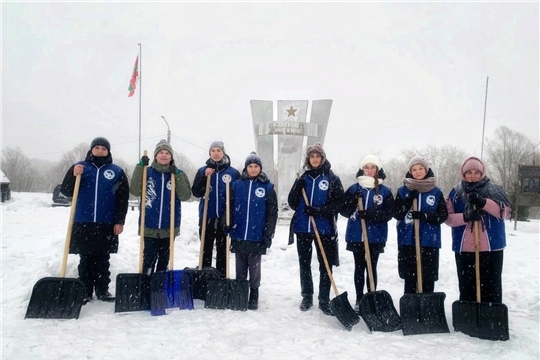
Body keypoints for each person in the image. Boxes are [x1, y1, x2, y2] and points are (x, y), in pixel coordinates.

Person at [60, 137, 129, 304]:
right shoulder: (81, 167)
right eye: (97, 147)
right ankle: (85, 290)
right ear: (91, 150)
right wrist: (72, 174)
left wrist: (119, 221)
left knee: (103, 258)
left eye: (103, 148)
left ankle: (102, 290)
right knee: (85, 259)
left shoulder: (117, 171)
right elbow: (67, 191)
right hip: (83, 220)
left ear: (108, 151)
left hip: (106, 222)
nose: (100, 151)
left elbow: (122, 199)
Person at [287, 143, 344, 316]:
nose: (315, 159)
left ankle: (324, 299)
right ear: (308, 159)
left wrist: (319, 211)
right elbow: (292, 203)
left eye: (318, 156)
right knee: (304, 263)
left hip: (324, 228)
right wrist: (298, 186)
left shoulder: (332, 178)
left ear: (323, 158)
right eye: (312, 156)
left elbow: (338, 204)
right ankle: (307, 296)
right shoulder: (302, 177)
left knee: (325, 265)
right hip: (303, 227)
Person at [445, 156, 511, 303]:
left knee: (491, 284)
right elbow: (448, 219)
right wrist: (466, 216)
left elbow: (506, 212)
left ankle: (491, 315)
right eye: (469, 172)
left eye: (476, 172)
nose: (473, 175)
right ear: (463, 173)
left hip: (491, 247)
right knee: (467, 285)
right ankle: (468, 314)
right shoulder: (455, 193)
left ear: (482, 173)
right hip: (465, 247)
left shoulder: (494, 190)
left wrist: (484, 202)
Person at [339, 154, 393, 313]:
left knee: (371, 268)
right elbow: (344, 210)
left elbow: (389, 213)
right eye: (366, 167)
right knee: (359, 267)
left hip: (375, 236)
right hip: (357, 235)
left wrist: (371, 215)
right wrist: (352, 202)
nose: (369, 170)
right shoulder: (354, 189)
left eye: (373, 167)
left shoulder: (385, 191)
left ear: (378, 170)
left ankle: (371, 298)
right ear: (362, 169)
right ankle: (359, 299)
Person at [129, 140, 192, 275]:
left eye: (167, 153)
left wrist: (177, 175)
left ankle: (159, 287)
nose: (164, 155)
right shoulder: (147, 172)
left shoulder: (178, 173)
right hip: (149, 224)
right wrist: (140, 167)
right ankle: (145, 285)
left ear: (171, 156)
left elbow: (185, 196)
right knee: (149, 258)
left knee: (164, 259)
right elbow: (134, 190)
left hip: (169, 225)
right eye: (161, 153)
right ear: (156, 156)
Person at [228, 152, 278, 310]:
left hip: (257, 234)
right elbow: (228, 207)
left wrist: (268, 233)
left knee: (254, 266)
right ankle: (240, 292)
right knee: (240, 264)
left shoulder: (267, 187)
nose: (253, 169)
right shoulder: (236, 185)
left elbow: (272, 213)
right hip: (239, 232)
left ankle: (254, 292)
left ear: (260, 168)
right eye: (250, 166)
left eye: (256, 166)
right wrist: (226, 223)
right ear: (246, 168)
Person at [393, 155, 448, 295]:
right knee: (410, 276)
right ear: (410, 171)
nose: (417, 172)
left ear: (426, 170)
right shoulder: (402, 190)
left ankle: (427, 307)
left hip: (429, 241)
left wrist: (424, 216)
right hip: (408, 240)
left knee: (427, 277)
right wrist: (407, 201)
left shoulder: (436, 192)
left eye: (421, 168)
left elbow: (443, 215)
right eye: (414, 169)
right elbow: (397, 214)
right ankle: (410, 306)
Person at [191, 141, 240, 278]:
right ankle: (204, 278)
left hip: (225, 218)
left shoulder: (233, 173)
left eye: (219, 150)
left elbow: (238, 195)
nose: (216, 153)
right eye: (213, 151)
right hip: (207, 216)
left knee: (222, 250)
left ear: (223, 152)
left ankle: (221, 279)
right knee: (205, 249)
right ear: (209, 153)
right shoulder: (202, 171)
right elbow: (196, 192)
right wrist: (204, 177)